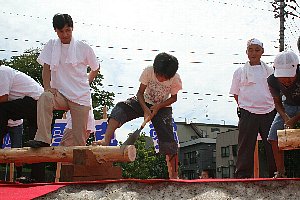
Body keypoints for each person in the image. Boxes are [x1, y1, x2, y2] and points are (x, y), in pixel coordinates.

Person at [93, 52, 182, 179]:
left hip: (163, 107)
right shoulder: (148, 71)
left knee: (169, 141)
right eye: (159, 75)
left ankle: (173, 175)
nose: (161, 79)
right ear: (155, 69)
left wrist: (158, 107)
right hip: (142, 101)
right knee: (120, 108)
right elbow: (140, 93)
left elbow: (174, 98)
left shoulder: (176, 79)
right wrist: (145, 109)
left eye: (164, 77)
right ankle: (105, 140)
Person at [26, 13, 100, 148]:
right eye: (61, 31)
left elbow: (96, 67)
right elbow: (46, 68)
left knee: (78, 142)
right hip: (60, 94)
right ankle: (43, 139)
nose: (65, 34)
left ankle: (79, 167)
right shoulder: (51, 45)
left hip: (80, 97)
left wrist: (87, 82)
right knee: (45, 97)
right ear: (55, 30)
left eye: (68, 30)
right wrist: (47, 87)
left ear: (72, 29)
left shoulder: (84, 48)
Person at [229, 38, 277, 178]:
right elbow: (236, 93)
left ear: (262, 52)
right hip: (248, 112)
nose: (253, 53)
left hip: (269, 111)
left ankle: (276, 173)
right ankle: (242, 176)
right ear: (246, 52)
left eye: (257, 50)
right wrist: (245, 107)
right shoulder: (239, 71)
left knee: (272, 144)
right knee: (245, 145)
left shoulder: (270, 71)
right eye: (251, 50)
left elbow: (275, 91)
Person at [0, 65, 45, 182]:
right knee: (37, 142)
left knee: (1, 109)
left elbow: (3, 99)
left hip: (36, 102)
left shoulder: (2, 71)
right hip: (39, 103)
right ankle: (38, 178)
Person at [267, 51, 300, 178]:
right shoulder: (272, 80)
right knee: (273, 136)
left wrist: (294, 120)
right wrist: (286, 117)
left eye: (290, 76)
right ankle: (280, 172)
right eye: (282, 77)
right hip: (289, 106)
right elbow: (277, 103)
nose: (286, 80)